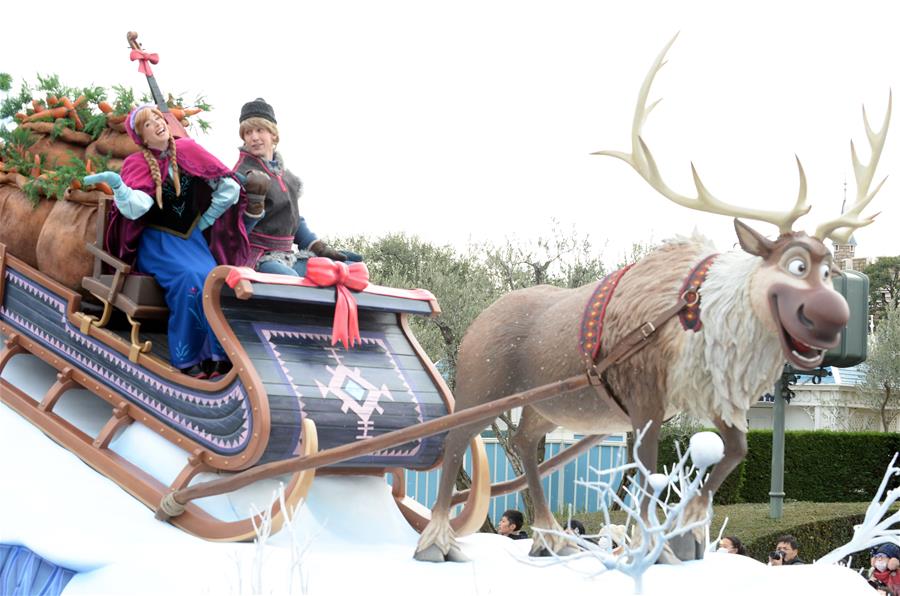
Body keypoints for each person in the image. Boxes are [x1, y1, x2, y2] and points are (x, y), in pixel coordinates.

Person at [84, 104, 249, 379]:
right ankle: (188, 358)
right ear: (142, 138)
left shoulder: (189, 150)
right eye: (148, 124)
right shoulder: (136, 164)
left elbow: (227, 186)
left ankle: (219, 355)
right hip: (157, 242)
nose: (157, 124)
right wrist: (119, 187)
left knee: (214, 279)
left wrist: (206, 220)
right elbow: (137, 208)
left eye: (158, 118)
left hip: (192, 241)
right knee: (189, 280)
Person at [234, 98, 360, 277]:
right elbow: (231, 230)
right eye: (247, 133)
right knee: (292, 282)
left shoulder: (287, 177)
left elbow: (293, 219)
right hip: (256, 259)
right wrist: (253, 207)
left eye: (259, 130)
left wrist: (320, 248)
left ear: (273, 134)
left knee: (346, 269)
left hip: (287, 256)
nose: (254, 137)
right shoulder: (241, 174)